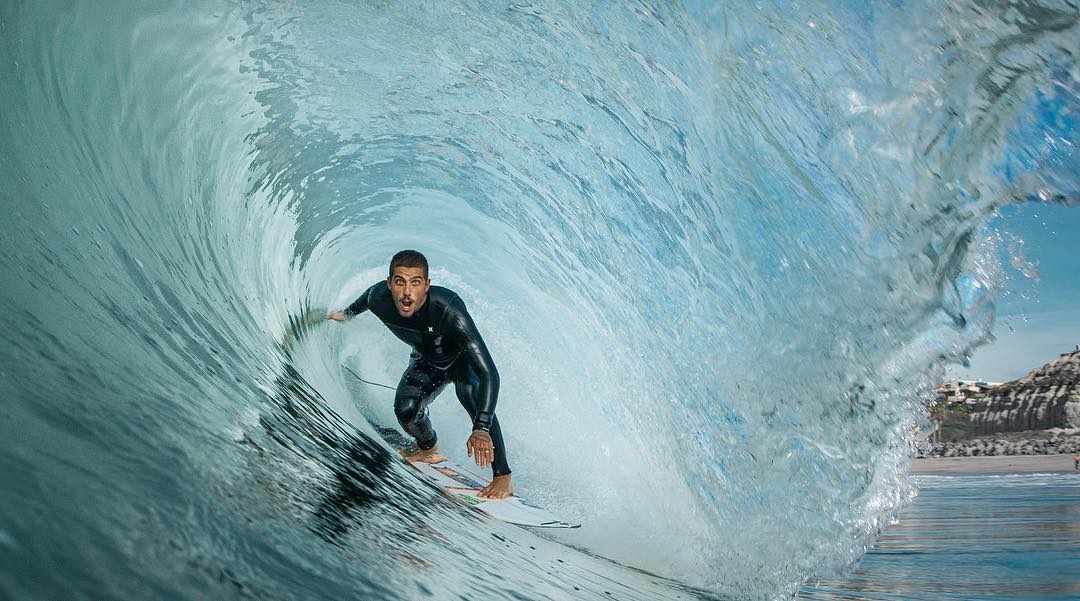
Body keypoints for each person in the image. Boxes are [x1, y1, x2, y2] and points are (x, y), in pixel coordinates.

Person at [328, 250, 513, 499]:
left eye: (415, 282)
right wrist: (346, 314)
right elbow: (365, 299)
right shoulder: (377, 299)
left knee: (470, 393)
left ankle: (503, 475)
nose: (407, 292)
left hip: (460, 361)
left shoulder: (448, 309)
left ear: (427, 286)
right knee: (405, 410)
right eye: (400, 282)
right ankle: (427, 447)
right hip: (426, 361)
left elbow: (489, 372)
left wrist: (481, 427)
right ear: (389, 284)